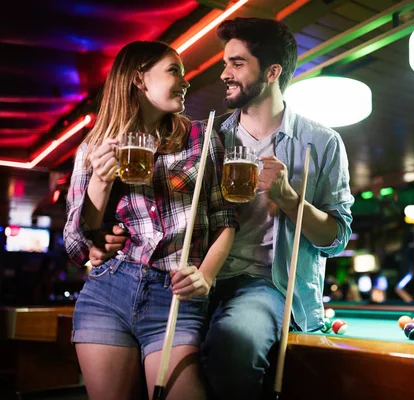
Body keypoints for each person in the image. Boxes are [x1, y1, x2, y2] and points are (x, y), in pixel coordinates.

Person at [87, 18, 354, 400]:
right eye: (225, 63)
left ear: (273, 71)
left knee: (234, 348)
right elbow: (156, 203)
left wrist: (290, 199)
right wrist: (108, 235)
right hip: (193, 277)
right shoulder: (207, 135)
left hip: (266, 284)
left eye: (237, 63)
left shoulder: (321, 143)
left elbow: (336, 240)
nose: (224, 73)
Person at [63, 41, 237, 400]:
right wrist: (100, 180)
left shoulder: (202, 138)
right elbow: (77, 245)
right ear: (139, 79)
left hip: (174, 295)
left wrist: (205, 275)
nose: (185, 81)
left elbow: (225, 220)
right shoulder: (93, 147)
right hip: (108, 292)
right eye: (175, 70)